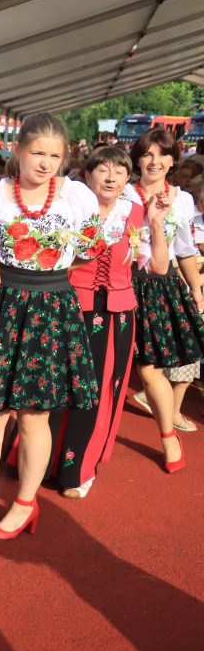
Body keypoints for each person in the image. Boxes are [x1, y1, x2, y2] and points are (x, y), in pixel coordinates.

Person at [0, 113, 104, 556]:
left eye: (55, 155)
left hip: (51, 308)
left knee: (35, 416)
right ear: (17, 151)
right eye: (37, 152)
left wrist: (47, 277)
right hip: (1, 305)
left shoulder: (77, 195)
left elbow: (89, 253)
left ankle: (23, 504)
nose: (46, 163)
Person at [38, 146, 158, 498]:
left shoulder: (136, 213)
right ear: (87, 175)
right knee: (56, 382)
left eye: (119, 171)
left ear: (127, 179)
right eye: (102, 169)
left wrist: (156, 225)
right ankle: (40, 461)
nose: (110, 177)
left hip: (118, 312)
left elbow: (156, 266)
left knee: (100, 389)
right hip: (71, 305)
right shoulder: (70, 208)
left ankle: (79, 466)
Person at [127, 127, 204, 474]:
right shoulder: (123, 193)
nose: (154, 161)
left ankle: (167, 434)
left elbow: (185, 248)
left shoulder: (183, 199)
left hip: (159, 287)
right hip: (117, 284)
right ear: (137, 159)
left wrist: (196, 288)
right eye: (147, 154)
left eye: (162, 154)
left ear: (173, 159)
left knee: (148, 367)